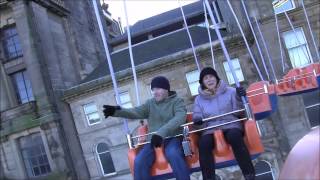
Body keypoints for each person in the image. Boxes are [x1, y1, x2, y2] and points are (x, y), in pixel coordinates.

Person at [103, 76, 190, 180]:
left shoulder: (177, 101)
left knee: (173, 153)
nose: (155, 92)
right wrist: (116, 111)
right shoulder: (150, 104)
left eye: (158, 89)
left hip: (173, 137)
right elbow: (135, 112)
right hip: (154, 140)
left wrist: (161, 133)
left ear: (166, 89)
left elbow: (180, 117)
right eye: (153, 89)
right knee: (140, 161)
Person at [192, 67, 255, 180]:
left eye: (211, 77)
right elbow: (197, 116)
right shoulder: (199, 99)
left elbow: (240, 111)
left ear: (216, 78)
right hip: (211, 127)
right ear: (202, 82)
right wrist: (197, 120)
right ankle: (209, 178)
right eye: (206, 78)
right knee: (204, 143)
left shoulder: (230, 91)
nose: (209, 80)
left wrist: (240, 98)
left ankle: (249, 174)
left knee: (235, 137)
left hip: (230, 123)